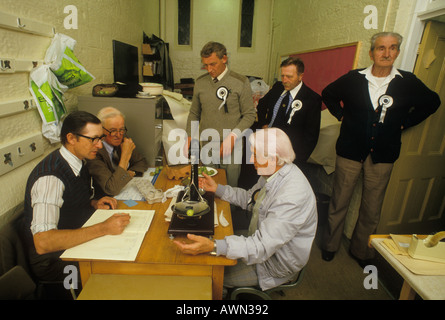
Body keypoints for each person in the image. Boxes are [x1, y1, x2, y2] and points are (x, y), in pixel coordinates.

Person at [321, 32, 441, 265]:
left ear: (398, 51)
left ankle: (361, 251)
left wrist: (405, 122)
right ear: (371, 52)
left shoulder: (407, 82)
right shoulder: (354, 78)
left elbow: (432, 102)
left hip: (384, 154)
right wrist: (341, 115)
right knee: (339, 201)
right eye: (381, 48)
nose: (386, 53)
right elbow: (328, 94)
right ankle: (330, 245)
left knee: (372, 207)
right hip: (349, 151)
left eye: (392, 48)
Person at [174, 128, 317, 291]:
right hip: (260, 241)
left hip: (271, 265)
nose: (251, 159)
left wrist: (214, 247)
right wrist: (217, 188)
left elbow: (261, 247)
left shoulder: (291, 196)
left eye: (255, 155)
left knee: (207, 274)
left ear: (273, 158)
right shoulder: (274, 173)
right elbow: (251, 199)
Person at [22, 111, 131, 282]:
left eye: (100, 138)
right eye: (93, 139)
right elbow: (43, 242)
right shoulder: (50, 178)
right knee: (119, 273)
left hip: (75, 243)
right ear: (72, 138)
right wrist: (103, 228)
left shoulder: (78, 161)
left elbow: (70, 203)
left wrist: (94, 203)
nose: (100, 145)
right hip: (56, 263)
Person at [185, 41, 256, 187]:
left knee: (230, 187)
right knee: (209, 186)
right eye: (206, 65)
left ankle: (232, 210)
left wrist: (233, 136)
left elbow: (249, 115)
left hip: (232, 145)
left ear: (224, 59)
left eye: (213, 64)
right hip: (207, 144)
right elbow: (194, 113)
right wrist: (189, 136)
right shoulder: (200, 83)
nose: (209, 69)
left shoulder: (241, 82)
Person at [257, 57, 321, 170]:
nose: (284, 80)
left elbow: (311, 137)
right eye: (283, 76)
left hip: (289, 156)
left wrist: (297, 161)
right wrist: (264, 124)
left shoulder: (312, 99)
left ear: (300, 76)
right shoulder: (278, 87)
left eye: (289, 77)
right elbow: (262, 104)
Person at [86, 107, 149, 196]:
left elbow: (141, 162)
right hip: (104, 198)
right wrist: (125, 156)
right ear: (101, 130)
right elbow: (111, 189)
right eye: (113, 131)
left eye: (121, 130)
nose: (118, 135)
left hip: (124, 191)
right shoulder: (94, 151)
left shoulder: (122, 137)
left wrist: (130, 173)